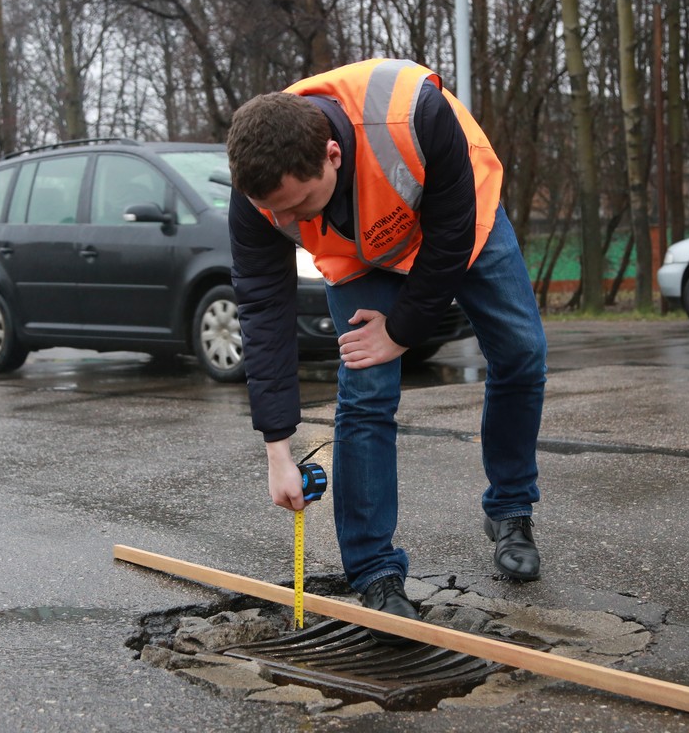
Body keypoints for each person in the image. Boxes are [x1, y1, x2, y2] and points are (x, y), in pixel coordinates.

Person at [227, 58, 547, 643]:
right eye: (281, 213)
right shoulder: (261, 191)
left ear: (332, 154)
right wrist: (277, 447)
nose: (291, 222)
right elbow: (262, 312)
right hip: (360, 255)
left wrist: (400, 330)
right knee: (367, 392)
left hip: (460, 221)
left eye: (301, 206)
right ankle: (374, 572)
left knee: (522, 353)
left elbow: (448, 241)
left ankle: (510, 511)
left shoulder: (414, 113)